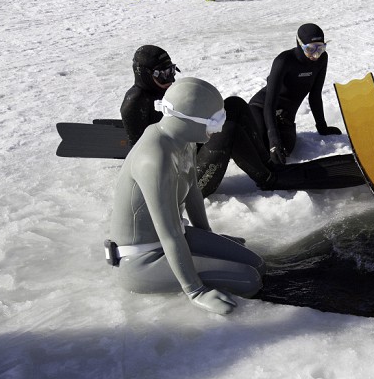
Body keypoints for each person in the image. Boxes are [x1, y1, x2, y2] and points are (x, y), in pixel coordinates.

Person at [108, 77, 266, 315]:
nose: (218, 129)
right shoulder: (155, 159)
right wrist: (195, 290)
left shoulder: (184, 141)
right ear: (186, 120)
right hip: (142, 260)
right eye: (214, 121)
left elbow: (192, 191)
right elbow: (169, 232)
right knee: (249, 279)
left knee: (258, 263)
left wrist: (208, 237)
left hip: (174, 239)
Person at [120, 45, 275, 197]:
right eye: (164, 73)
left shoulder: (165, 89)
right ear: (144, 74)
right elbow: (139, 156)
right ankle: (269, 179)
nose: (171, 78)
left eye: (172, 70)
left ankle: (268, 165)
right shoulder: (135, 102)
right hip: (182, 185)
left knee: (234, 105)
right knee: (227, 128)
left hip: (191, 155)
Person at [249, 24, 343, 165]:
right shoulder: (284, 61)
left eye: (320, 48)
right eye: (310, 49)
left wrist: (322, 127)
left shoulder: (322, 60)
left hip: (284, 117)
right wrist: (274, 139)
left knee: (285, 150)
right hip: (261, 107)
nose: (316, 55)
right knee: (260, 144)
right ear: (299, 44)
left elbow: (315, 95)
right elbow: (270, 102)